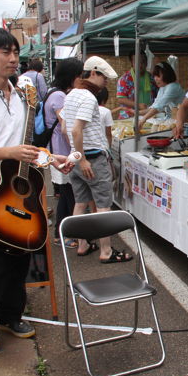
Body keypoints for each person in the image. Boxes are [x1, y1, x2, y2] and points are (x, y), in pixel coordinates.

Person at [0, 28, 73, 349]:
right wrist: (8, 152)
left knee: (20, 257)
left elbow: (28, 149)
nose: (12, 58)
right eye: (5, 53)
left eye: (14, 52)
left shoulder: (22, 97)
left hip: (17, 188)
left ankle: (11, 314)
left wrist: (55, 158)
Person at [63, 56, 131, 264]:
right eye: (104, 77)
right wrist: (83, 160)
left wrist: (76, 155)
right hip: (90, 158)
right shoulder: (89, 98)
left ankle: (82, 244)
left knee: (81, 202)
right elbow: (76, 129)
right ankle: (106, 251)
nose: (106, 82)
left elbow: (66, 127)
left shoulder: (71, 94)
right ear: (92, 73)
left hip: (77, 157)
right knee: (103, 205)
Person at [44, 57, 83, 248]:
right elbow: (66, 127)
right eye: (79, 76)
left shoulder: (53, 93)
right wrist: (76, 151)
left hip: (57, 150)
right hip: (61, 151)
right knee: (70, 194)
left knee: (67, 194)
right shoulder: (60, 97)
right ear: (72, 77)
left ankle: (61, 233)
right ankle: (66, 234)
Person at [128, 61, 185, 132]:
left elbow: (158, 107)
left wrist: (143, 120)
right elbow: (155, 105)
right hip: (172, 120)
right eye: (154, 76)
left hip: (182, 122)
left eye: (158, 76)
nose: (155, 78)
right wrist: (138, 113)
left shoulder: (173, 87)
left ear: (166, 75)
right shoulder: (162, 88)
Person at [115, 52, 157, 119]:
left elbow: (158, 96)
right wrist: (138, 105)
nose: (140, 65)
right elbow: (121, 99)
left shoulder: (152, 78)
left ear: (146, 63)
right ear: (132, 63)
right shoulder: (125, 79)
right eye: (136, 62)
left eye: (142, 62)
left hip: (149, 116)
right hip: (129, 117)